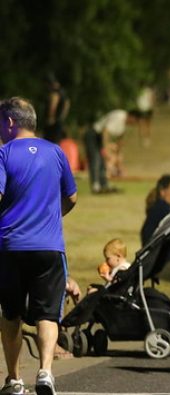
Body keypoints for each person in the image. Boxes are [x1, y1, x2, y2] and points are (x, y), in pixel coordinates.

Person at [0, 97, 78, 395]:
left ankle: (14, 379)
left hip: (10, 247)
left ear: (10, 122)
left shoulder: (4, 154)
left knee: (11, 314)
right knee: (47, 314)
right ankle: (45, 372)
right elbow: (71, 197)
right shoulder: (56, 152)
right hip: (48, 247)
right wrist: (52, 217)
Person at [84, 109, 134, 193]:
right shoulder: (119, 116)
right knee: (95, 160)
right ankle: (95, 185)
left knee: (102, 161)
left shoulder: (124, 125)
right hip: (93, 134)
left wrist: (118, 153)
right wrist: (106, 149)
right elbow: (105, 131)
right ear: (132, 117)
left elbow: (120, 139)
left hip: (100, 138)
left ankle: (104, 184)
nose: (133, 124)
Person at [43, 74, 69, 144]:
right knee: (56, 143)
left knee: (48, 143)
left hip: (53, 124)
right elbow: (67, 104)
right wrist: (61, 118)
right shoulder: (62, 92)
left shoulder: (55, 92)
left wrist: (51, 117)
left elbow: (53, 105)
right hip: (59, 122)